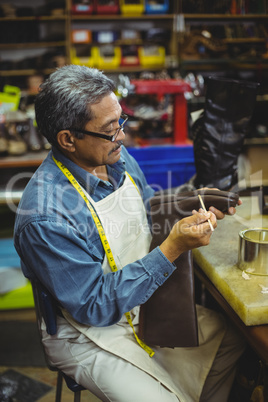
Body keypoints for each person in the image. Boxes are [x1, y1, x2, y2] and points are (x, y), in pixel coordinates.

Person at [14, 65, 244, 402]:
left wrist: (193, 199)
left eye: (120, 121)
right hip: (88, 331)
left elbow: (147, 205)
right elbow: (93, 306)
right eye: (110, 129)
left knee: (230, 339)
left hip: (136, 302)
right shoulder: (45, 217)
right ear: (68, 139)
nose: (121, 135)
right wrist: (172, 247)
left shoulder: (114, 159)